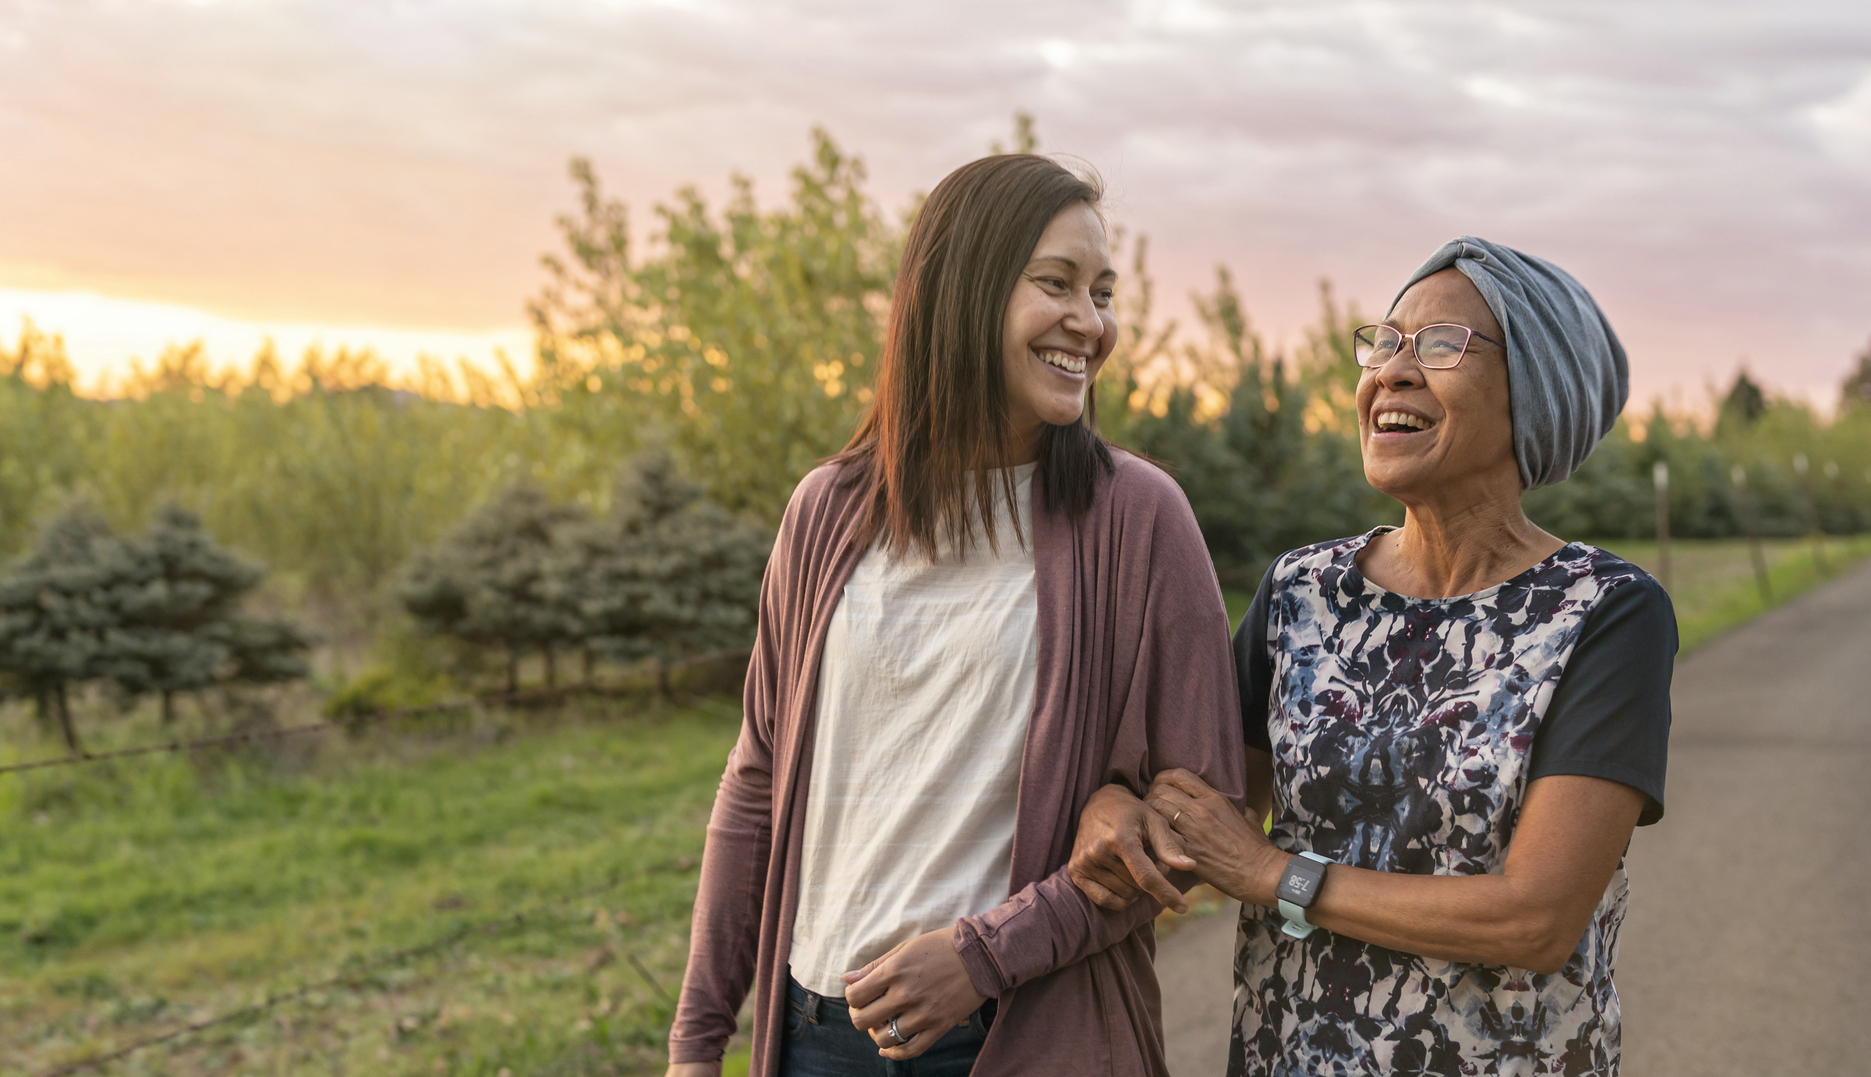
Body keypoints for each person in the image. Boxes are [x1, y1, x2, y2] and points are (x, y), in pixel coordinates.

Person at [665, 154, 1244, 1077]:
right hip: (815, 1031)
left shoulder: (1136, 517)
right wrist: (697, 1042)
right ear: (960, 291)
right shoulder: (826, 511)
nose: (1090, 324)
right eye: (1055, 284)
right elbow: (756, 782)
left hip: (1020, 1032)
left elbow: (1195, 821)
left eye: (1101, 293)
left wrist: (985, 954)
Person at [1068, 237, 1674, 1076]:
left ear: (1534, 393)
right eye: (1384, 342)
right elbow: (1199, 810)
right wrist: (1112, 805)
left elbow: (1534, 920)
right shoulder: (1300, 591)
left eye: (1439, 345)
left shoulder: (1604, 612)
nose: (1390, 370)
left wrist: (1276, 873)